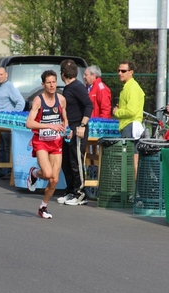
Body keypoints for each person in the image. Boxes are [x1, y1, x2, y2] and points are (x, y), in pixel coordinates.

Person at [26, 70, 70, 219]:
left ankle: (43, 207)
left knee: (54, 179)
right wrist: (50, 126)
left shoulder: (61, 100)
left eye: (54, 82)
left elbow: (65, 119)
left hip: (56, 141)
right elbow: (29, 123)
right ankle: (34, 173)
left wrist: (66, 129)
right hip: (41, 142)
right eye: (48, 82)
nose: (52, 85)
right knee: (47, 174)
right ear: (43, 84)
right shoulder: (38, 100)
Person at [57, 59, 93, 206]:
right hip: (68, 129)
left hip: (78, 128)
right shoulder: (68, 87)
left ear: (62, 73)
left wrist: (82, 125)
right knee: (66, 161)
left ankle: (80, 193)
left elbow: (88, 105)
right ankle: (70, 190)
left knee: (76, 161)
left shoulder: (77, 86)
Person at [112, 60, 145, 179]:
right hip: (129, 125)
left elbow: (131, 111)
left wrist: (117, 112)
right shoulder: (128, 87)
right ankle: (135, 190)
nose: (120, 73)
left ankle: (134, 190)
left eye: (123, 71)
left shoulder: (132, 87)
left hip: (131, 126)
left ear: (131, 72)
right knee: (132, 158)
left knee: (130, 160)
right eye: (119, 70)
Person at [0, 67, 25, 179]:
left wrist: (13, 116)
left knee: (7, 147)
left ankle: (8, 171)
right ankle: (1, 170)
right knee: (1, 147)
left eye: (1, 74)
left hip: (7, 123)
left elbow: (21, 102)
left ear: (6, 75)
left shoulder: (10, 86)